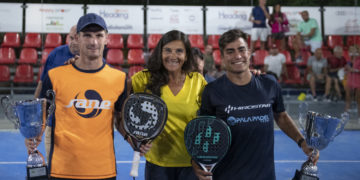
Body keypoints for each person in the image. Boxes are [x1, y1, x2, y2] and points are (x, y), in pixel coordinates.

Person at [25, 13, 150, 179]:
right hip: (63, 170)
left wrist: (134, 141)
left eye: (99, 35)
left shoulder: (118, 79)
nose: (93, 42)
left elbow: (120, 119)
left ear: (107, 39)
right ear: (77, 38)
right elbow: (41, 111)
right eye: (87, 36)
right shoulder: (55, 76)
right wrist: (33, 136)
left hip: (103, 170)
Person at [191, 29, 318, 180]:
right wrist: (196, 162)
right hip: (226, 175)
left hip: (265, 175)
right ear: (223, 57)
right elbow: (205, 131)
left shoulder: (269, 83)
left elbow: (281, 116)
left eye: (241, 49)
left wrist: (302, 142)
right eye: (230, 51)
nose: (237, 56)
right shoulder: (211, 91)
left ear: (249, 52)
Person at [129, 30, 207, 180]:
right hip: (157, 164)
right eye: (168, 50)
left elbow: (209, 118)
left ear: (186, 56)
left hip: (191, 164)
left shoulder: (198, 81)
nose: (173, 56)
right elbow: (119, 101)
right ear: (160, 53)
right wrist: (132, 138)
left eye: (179, 51)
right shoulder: (143, 79)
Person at [33, 25, 79, 161]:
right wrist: (33, 112)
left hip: (79, 125)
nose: (74, 42)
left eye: (77, 38)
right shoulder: (55, 54)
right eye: (71, 38)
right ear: (67, 38)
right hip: (53, 123)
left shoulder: (90, 60)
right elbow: (42, 84)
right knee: (53, 167)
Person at [344, 45, 360, 120]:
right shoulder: (349, 60)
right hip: (350, 80)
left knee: (358, 99)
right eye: (351, 50)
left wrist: (354, 70)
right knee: (348, 98)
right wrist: (346, 69)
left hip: (358, 80)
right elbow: (346, 69)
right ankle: (345, 114)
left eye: (354, 50)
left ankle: (359, 116)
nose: (352, 52)